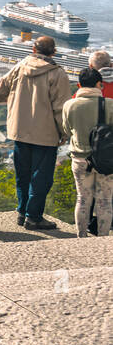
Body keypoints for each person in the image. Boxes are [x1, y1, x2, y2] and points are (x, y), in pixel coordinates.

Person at [0, 35, 72, 230]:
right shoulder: (58, 74)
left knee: (23, 174)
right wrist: (65, 133)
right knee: (41, 177)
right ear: (54, 52)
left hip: (19, 130)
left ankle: (22, 211)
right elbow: (61, 108)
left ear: (34, 50)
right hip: (45, 134)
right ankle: (33, 216)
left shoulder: (20, 67)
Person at [61, 67, 113, 238]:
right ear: (99, 84)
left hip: (80, 159)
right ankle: (103, 238)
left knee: (83, 199)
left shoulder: (70, 105)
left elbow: (67, 131)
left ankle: (81, 237)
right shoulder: (110, 104)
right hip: (106, 161)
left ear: (79, 85)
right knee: (105, 201)